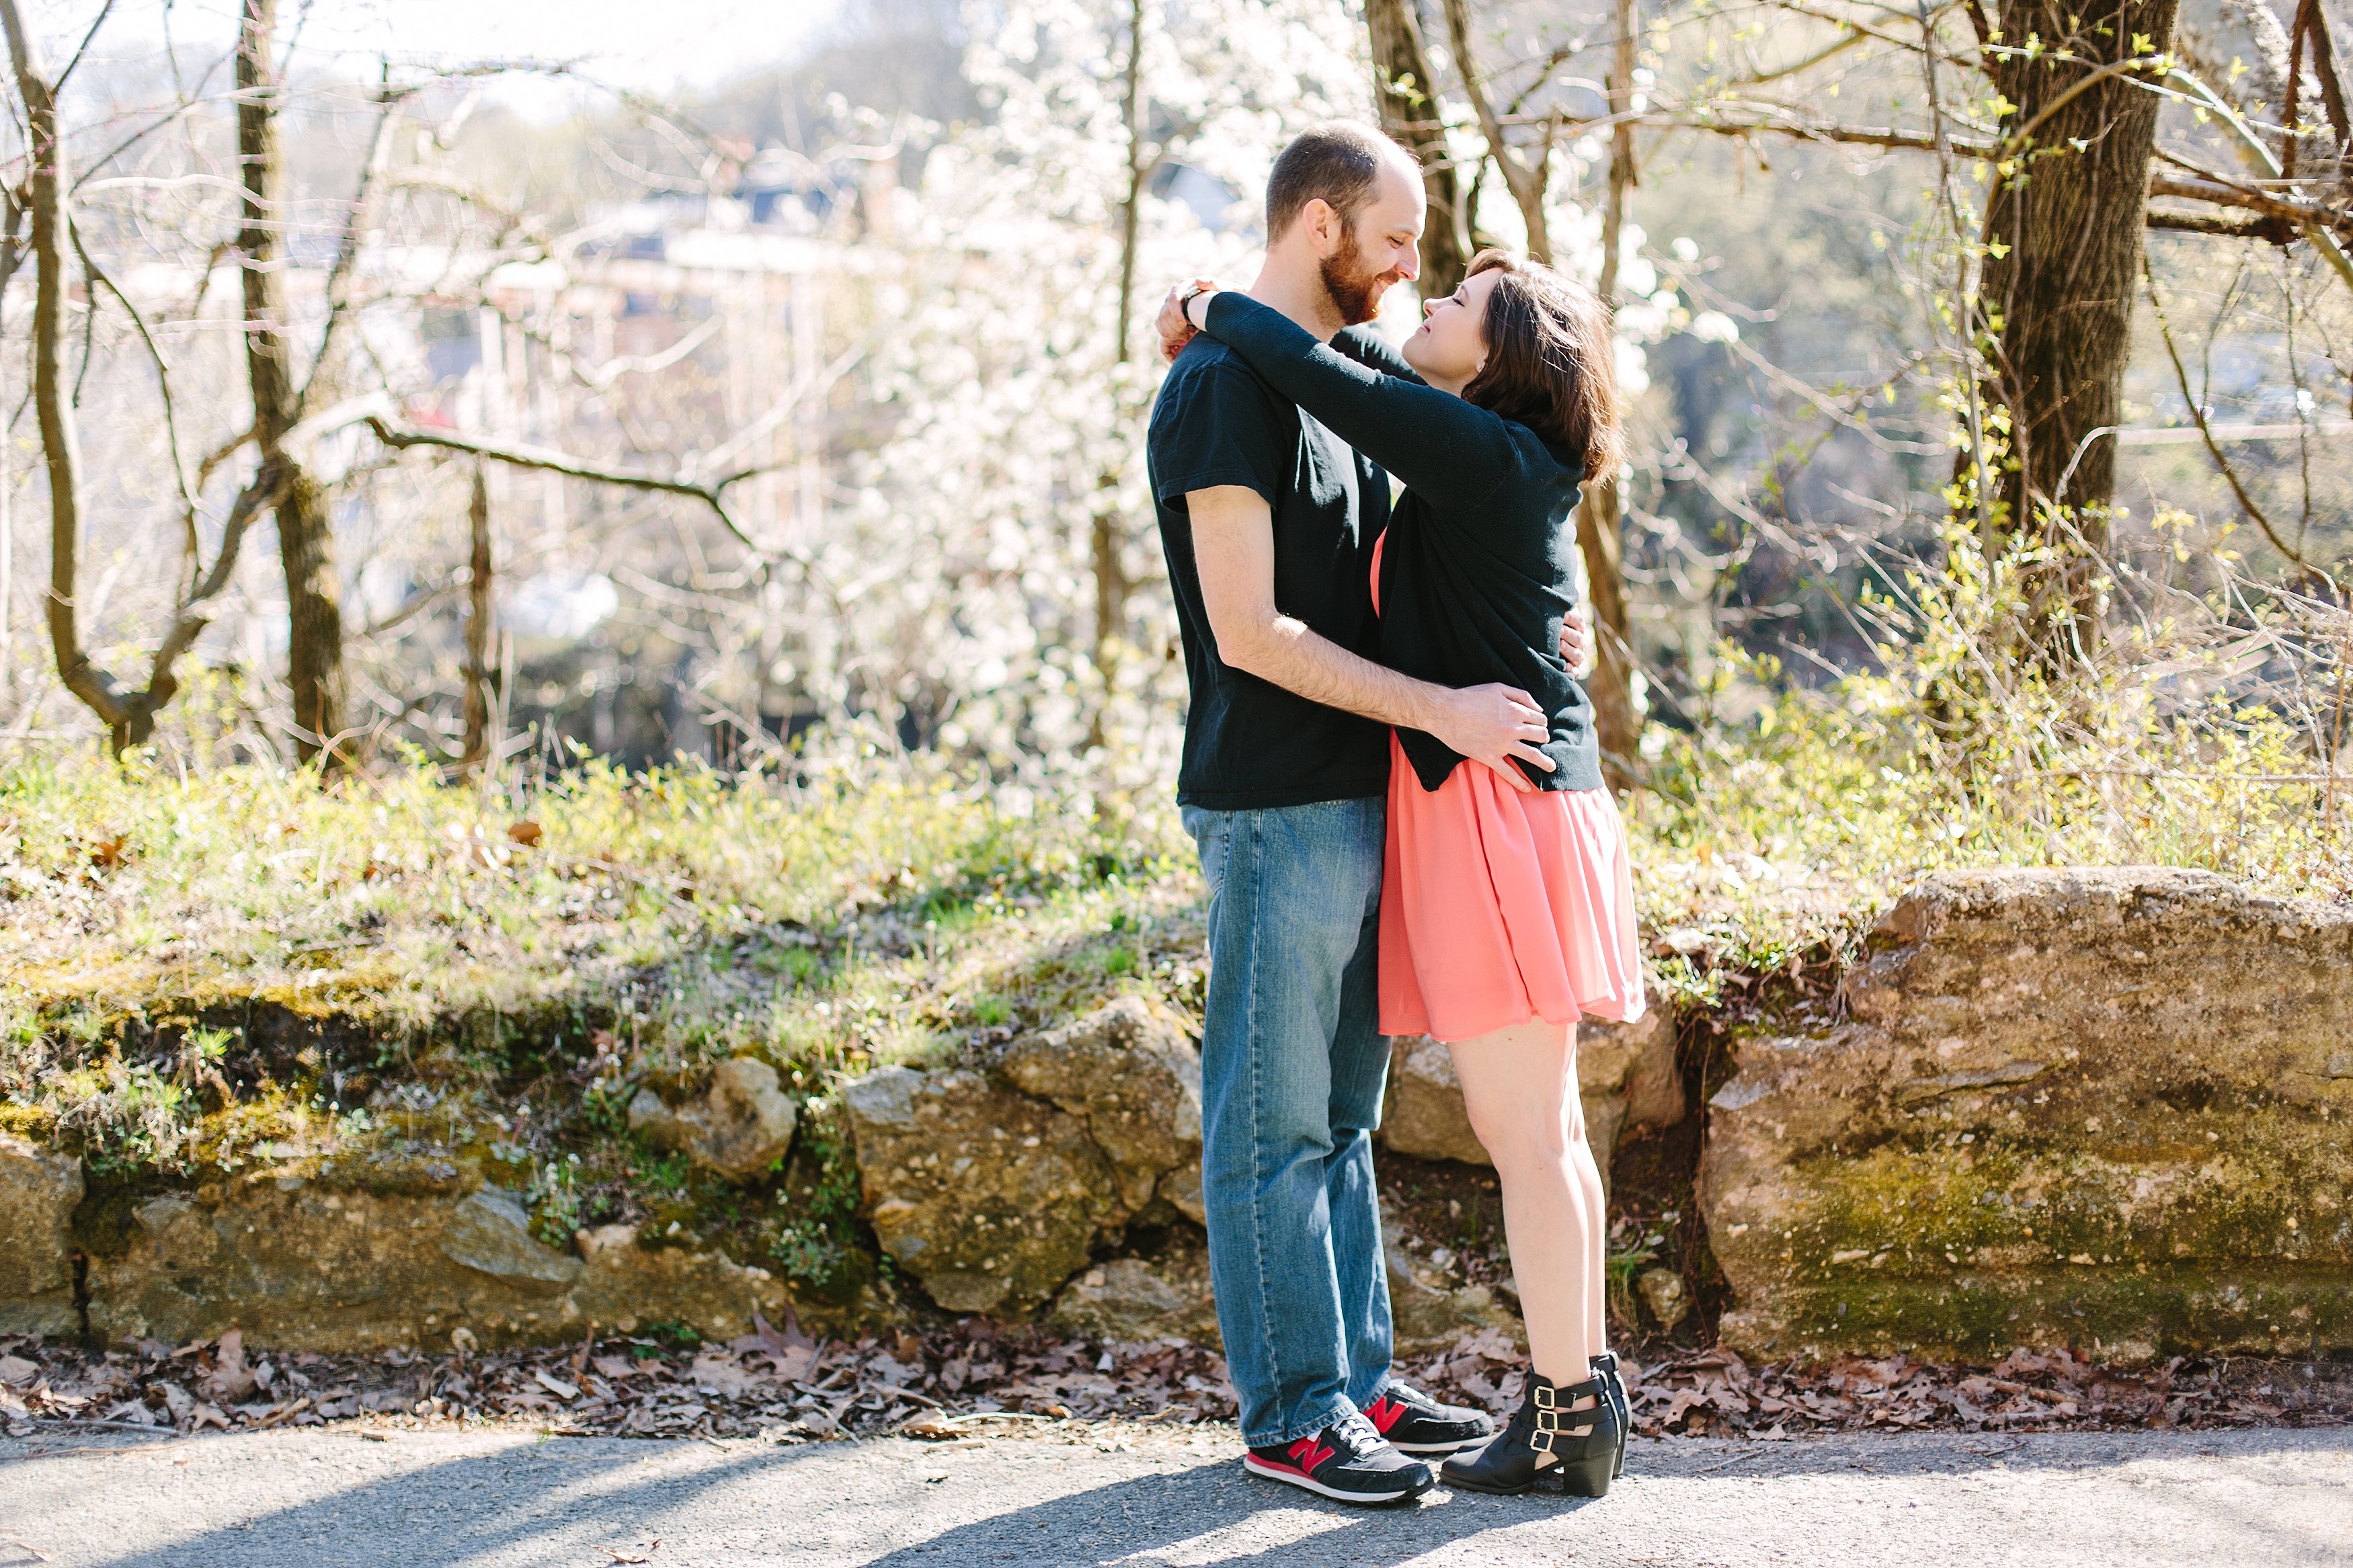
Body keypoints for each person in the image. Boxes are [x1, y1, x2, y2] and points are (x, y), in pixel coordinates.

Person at [1143, 122, 1591, 1509]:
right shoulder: (1223, 387)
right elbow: (1252, 631)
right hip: (1278, 795)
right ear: (1323, 227)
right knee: (1274, 1118)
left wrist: (1525, 647)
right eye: (1395, 241)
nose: (1411, 269)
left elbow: (1462, 542)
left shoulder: (1329, 379)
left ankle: (1353, 1380)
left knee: (1340, 1117)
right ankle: (1293, 1412)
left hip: (1365, 790)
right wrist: (1445, 709)